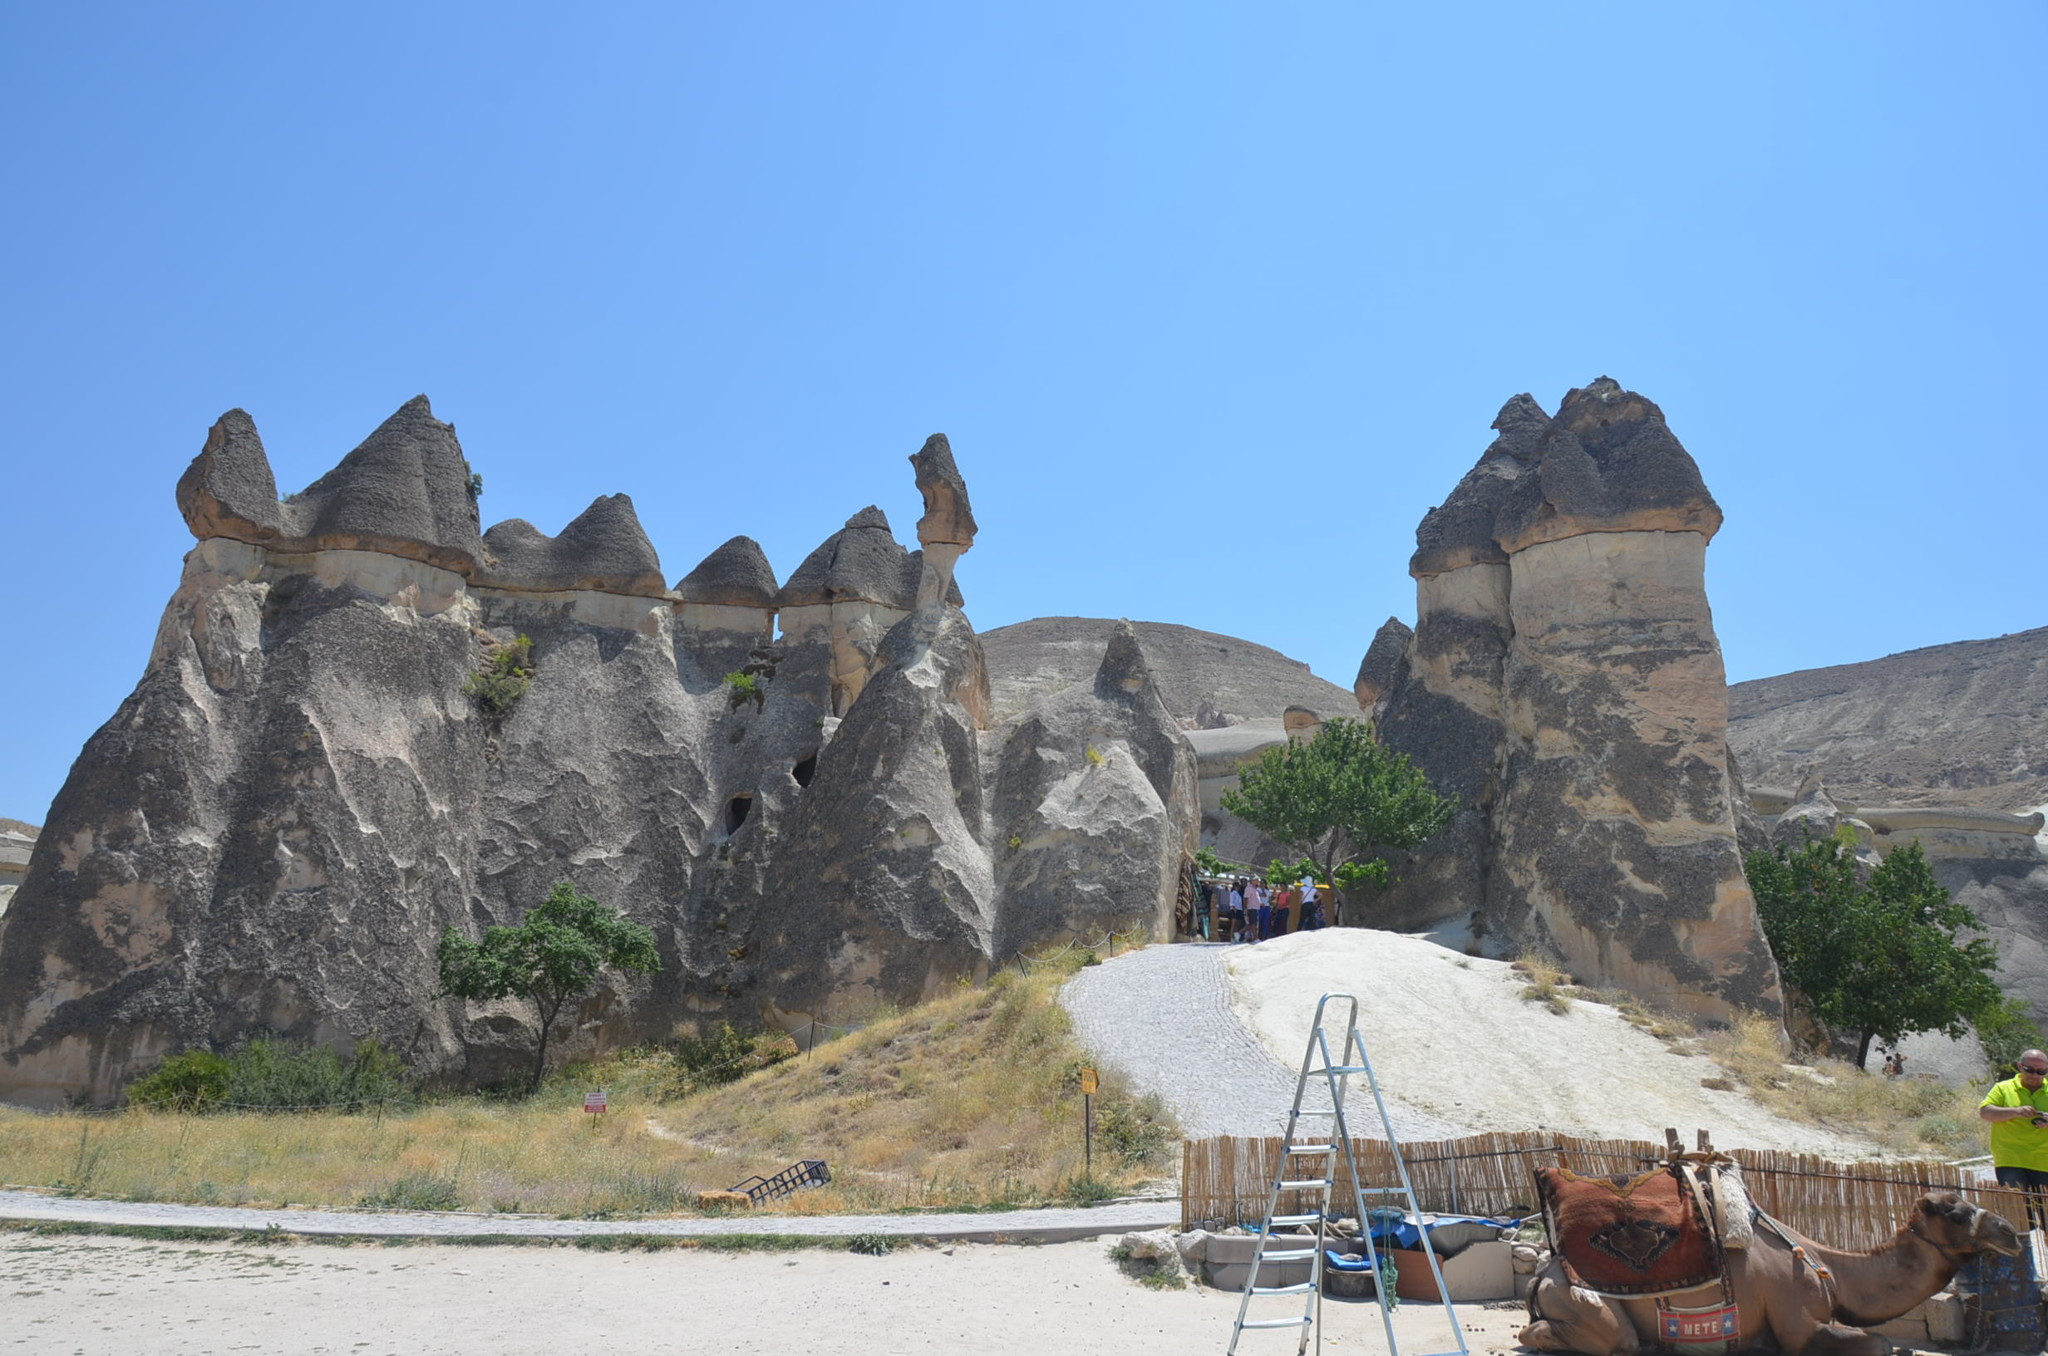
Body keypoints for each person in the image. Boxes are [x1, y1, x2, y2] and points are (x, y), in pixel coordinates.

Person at [1979, 1048, 2048, 1231]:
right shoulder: (2003, 1088)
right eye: (2030, 1070)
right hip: (2011, 1160)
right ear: (2020, 1066)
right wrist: (2016, 1112)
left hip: (2044, 1162)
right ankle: (2024, 1259)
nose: (2035, 1075)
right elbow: (1985, 1113)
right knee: (2018, 1220)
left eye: (2041, 1071)